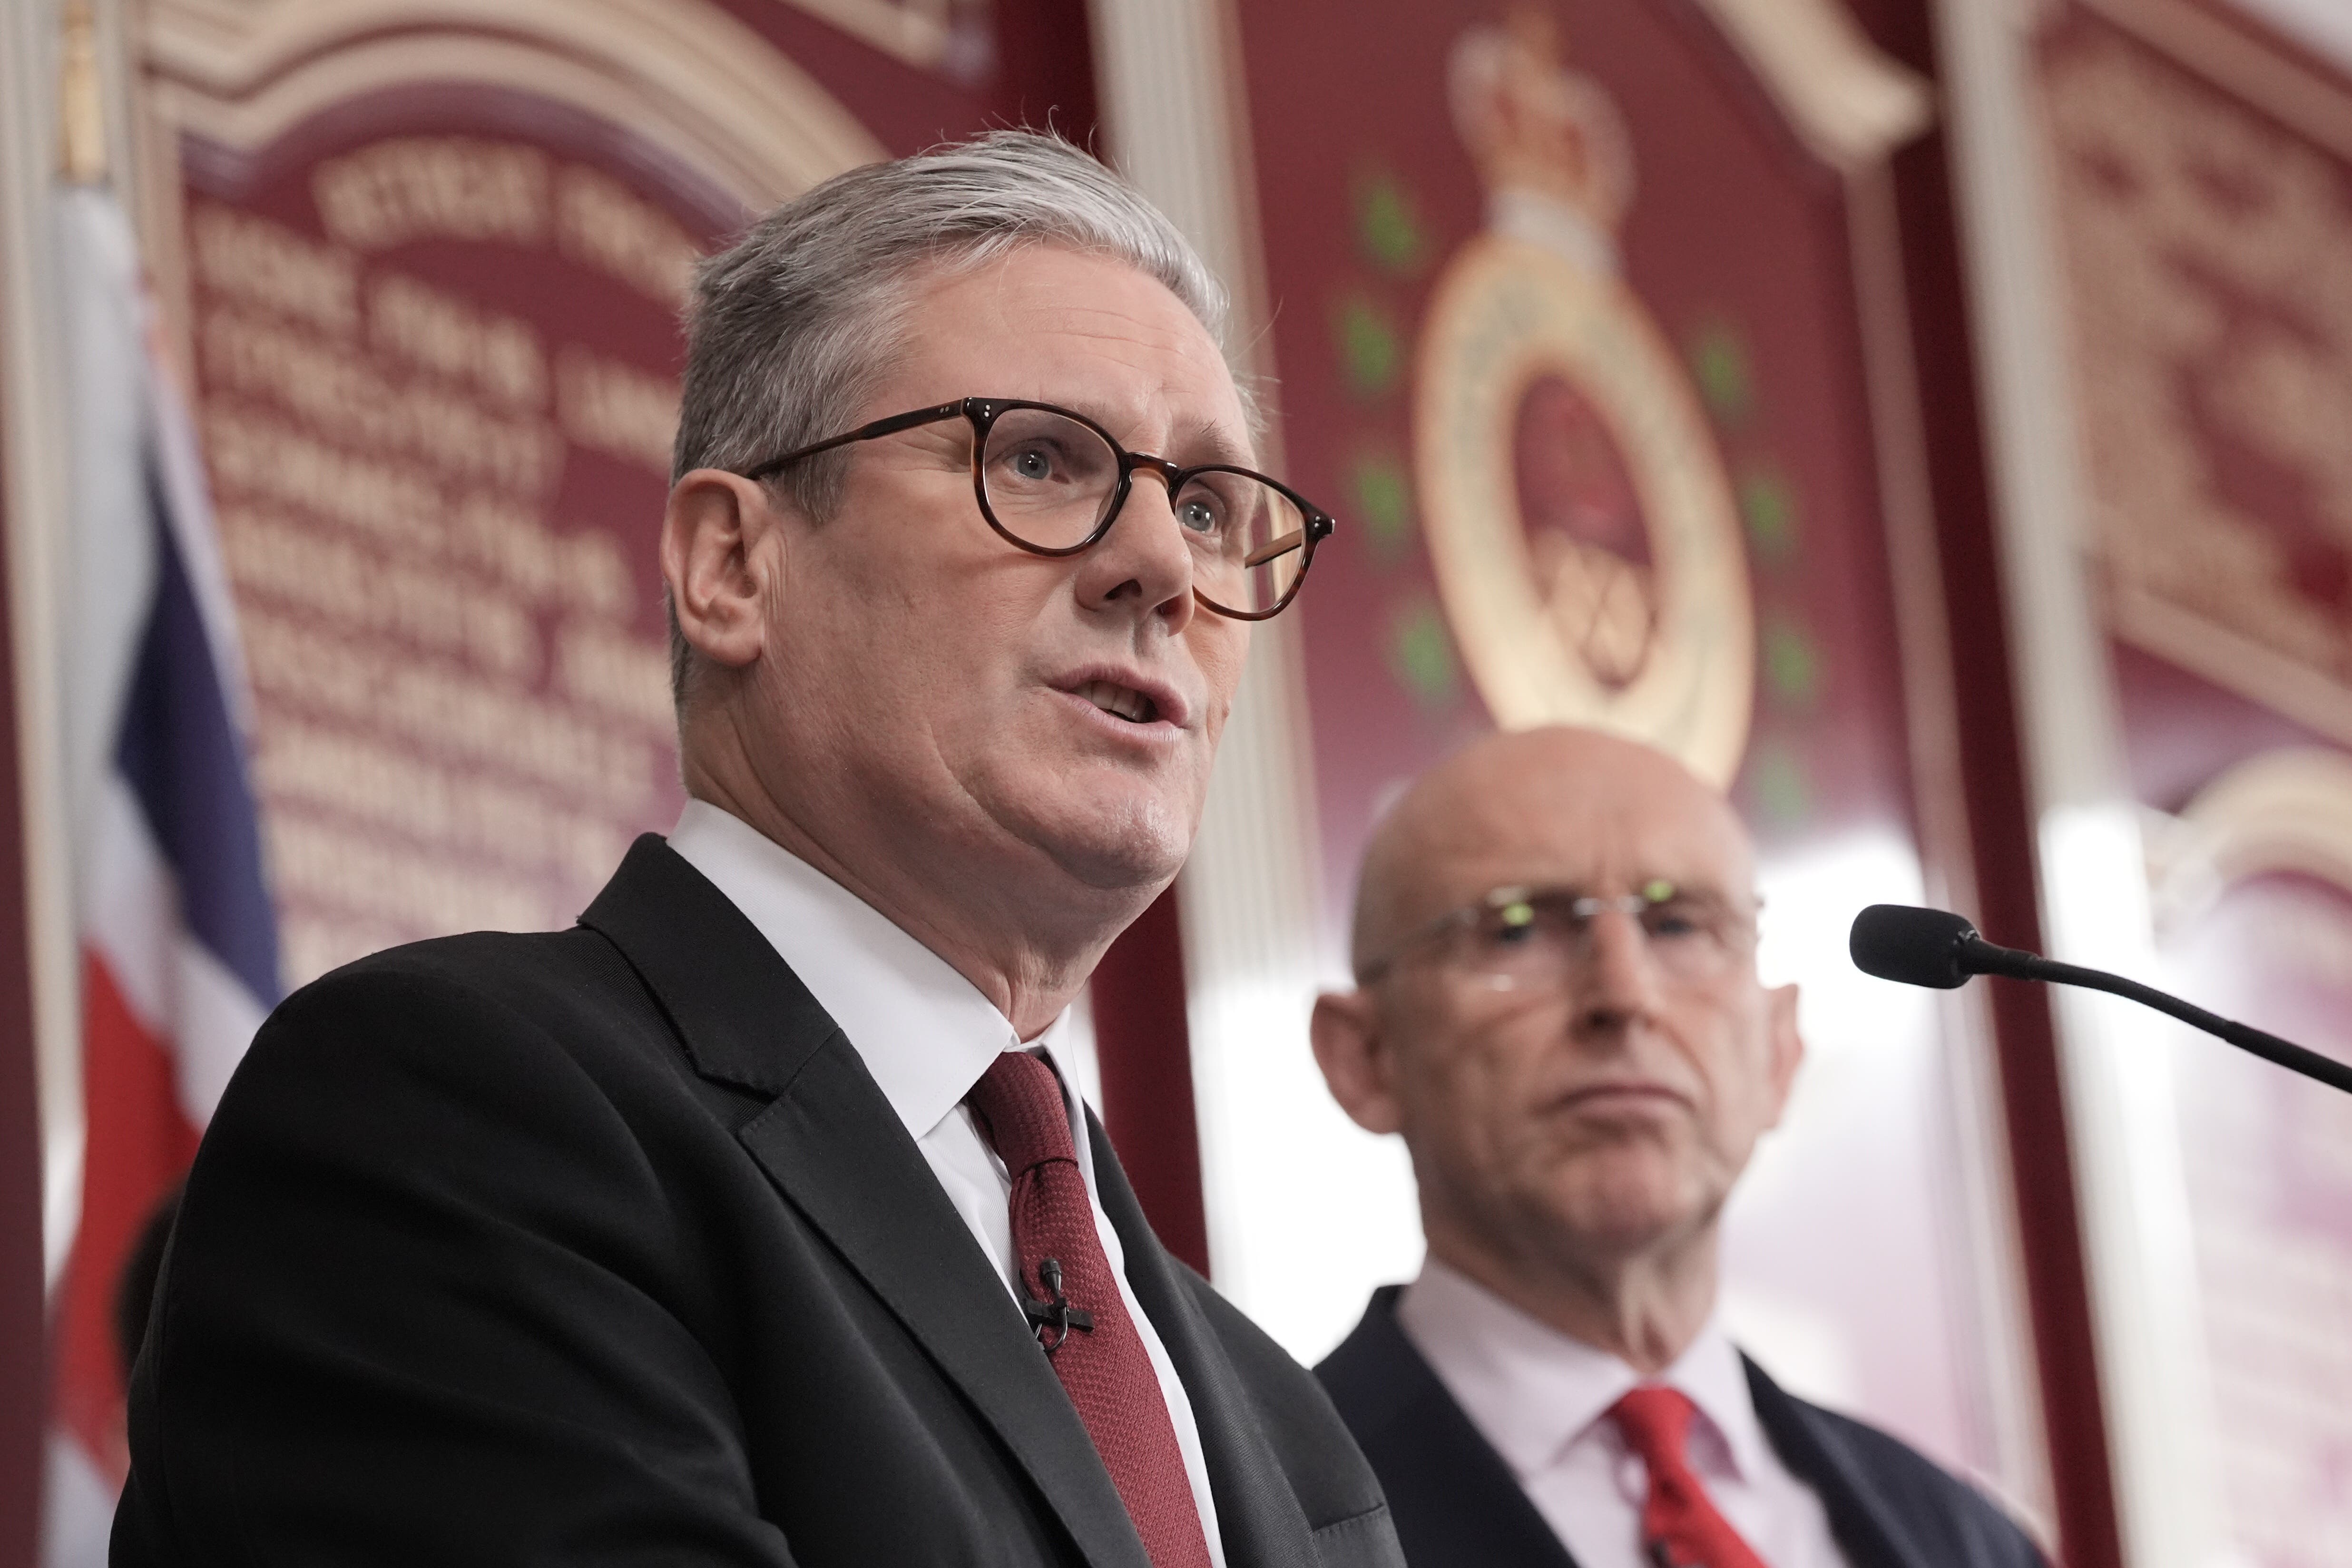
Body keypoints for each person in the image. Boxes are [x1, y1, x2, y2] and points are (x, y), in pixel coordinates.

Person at [115, 131, 1398, 1568]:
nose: (1164, 567)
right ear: (733, 566)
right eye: (1041, 459)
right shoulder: (449, 1122)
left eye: (1212, 507)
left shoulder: (1284, 1429)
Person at [1308, 726, 2045, 1568]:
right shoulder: (1241, 1513)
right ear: (1365, 1058)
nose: (1624, 996)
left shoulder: (1973, 1544)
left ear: (1777, 1049)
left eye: (1680, 926)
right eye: (1515, 929)